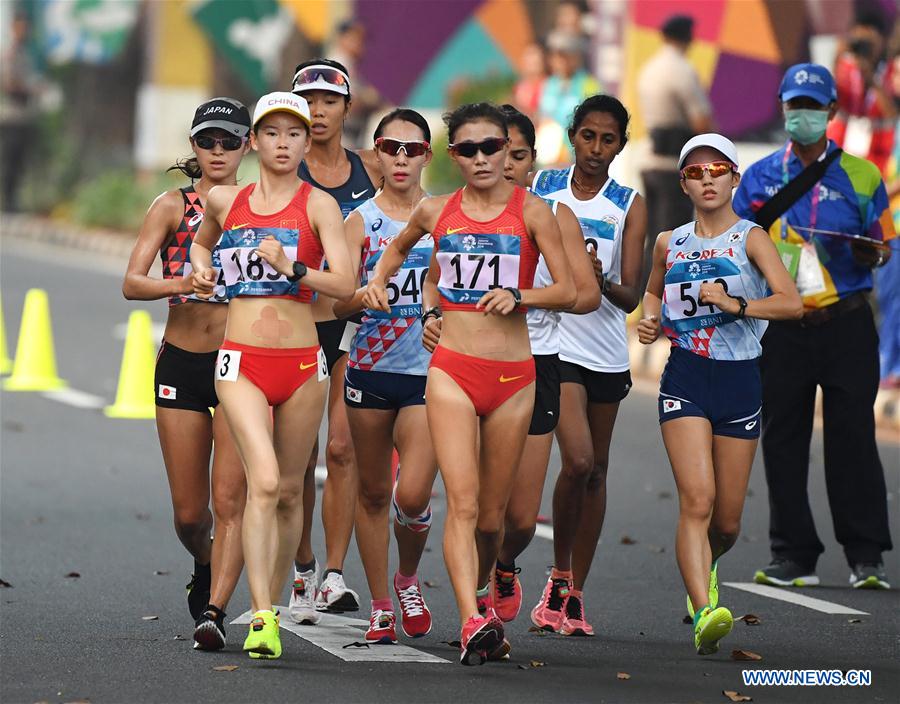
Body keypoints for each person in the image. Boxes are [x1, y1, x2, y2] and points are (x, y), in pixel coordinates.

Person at [364, 102, 576, 665]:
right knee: (459, 502)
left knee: (492, 516)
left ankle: (484, 590)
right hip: (453, 371)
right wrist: (399, 295)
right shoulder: (437, 211)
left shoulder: (532, 213)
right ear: (453, 155)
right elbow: (405, 254)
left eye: (492, 147)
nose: (481, 158)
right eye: (468, 149)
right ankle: (471, 619)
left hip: (513, 378)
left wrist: (522, 296)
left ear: (508, 151)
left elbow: (574, 291)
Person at [190, 92, 354, 659]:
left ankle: (275, 607)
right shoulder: (224, 200)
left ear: (307, 144)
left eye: (294, 135)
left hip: (305, 365)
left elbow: (347, 284)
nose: (282, 144)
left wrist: (296, 268)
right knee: (261, 480)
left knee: (288, 491)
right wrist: (202, 267)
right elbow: (202, 244)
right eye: (272, 134)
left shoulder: (319, 207)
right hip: (241, 360)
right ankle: (261, 615)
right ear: (253, 142)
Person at [733, 63, 896, 590]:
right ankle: (792, 554)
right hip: (781, 327)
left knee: (853, 437)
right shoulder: (756, 179)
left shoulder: (865, 176)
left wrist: (873, 251)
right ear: (782, 107)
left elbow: (885, 241)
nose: (801, 114)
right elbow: (733, 244)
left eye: (812, 105)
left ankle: (865, 555)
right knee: (783, 438)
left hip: (845, 322)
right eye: (794, 104)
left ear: (831, 112)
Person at [639, 133, 803, 655]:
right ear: (683, 183)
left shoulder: (750, 238)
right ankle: (705, 610)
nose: (706, 179)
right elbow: (652, 289)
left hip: (740, 379)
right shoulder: (671, 241)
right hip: (686, 375)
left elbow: (791, 303)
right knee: (698, 500)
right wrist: (648, 319)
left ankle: (707, 566)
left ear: (734, 178)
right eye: (695, 172)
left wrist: (738, 307)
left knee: (727, 521)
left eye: (717, 170)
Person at [122, 98, 250, 651]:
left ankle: (217, 606)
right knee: (189, 512)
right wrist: (180, 284)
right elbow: (132, 281)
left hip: (243, 364)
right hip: (181, 359)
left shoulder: (261, 204)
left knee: (231, 503)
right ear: (194, 147)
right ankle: (205, 557)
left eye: (229, 141)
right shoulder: (171, 206)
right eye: (208, 141)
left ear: (248, 144)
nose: (218, 151)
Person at [529, 95, 647, 637]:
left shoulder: (628, 203)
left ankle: (574, 593)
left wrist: (597, 279)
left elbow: (630, 296)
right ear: (572, 135)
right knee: (576, 462)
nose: (596, 149)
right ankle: (555, 575)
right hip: (557, 344)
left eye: (609, 139)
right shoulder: (542, 190)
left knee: (596, 471)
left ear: (621, 144)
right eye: (588, 137)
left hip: (605, 350)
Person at [489, 104, 601, 623]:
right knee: (477, 504)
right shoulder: (458, 214)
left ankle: (506, 564)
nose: (505, 164)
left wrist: (524, 297)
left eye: (516, 154)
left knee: (519, 519)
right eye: (494, 151)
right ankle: (475, 612)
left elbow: (585, 297)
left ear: (532, 160)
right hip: (473, 360)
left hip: (538, 364)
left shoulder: (553, 216)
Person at [336, 108, 438, 643]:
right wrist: (360, 295)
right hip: (370, 369)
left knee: (414, 495)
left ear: (427, 155)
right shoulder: (359, 221)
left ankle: (407, 577)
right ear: (375, 153)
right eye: (390, 148)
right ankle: (380, 603)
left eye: (412, 149)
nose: (401, 158)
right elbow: (334, 305)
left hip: (428, 373)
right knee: (374, 493)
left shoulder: (448, 215)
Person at [289, 59, 381, 621]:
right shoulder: (282, 167)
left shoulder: (370, 166)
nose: (318, 111)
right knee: (300, 455)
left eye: (329, 101)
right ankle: (301, 565)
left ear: (347, 108)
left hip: (352, 325)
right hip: (295, 324)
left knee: (344, 450)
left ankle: (334, 573)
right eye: (308, 102)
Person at [637, 14, 714, 287]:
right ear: (687, 37)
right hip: (673, 163)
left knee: (654, 237)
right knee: (674, 237)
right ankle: (666, 303)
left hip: (649, 161)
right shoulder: (681, 69)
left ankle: (647, 303)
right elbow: (701, 121)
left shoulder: (650, 68)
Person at [828, 9, 896, 175]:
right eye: (860, 39)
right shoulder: (846, 67)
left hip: (877, 158)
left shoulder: (891, 70)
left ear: (882, 39)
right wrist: (837, 60)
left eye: (870, 41)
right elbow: (833, 102)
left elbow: (891, 113)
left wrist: (870, 77)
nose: (865, 47)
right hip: (841, 154)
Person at [537, 31, 600, 165]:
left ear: (575, 57)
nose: (559, 61)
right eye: (555, 55)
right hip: (549, 159)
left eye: (564, 55)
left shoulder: (588, 85)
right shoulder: (548, 85)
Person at [1, 11, 40, 212]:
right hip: (12, 115)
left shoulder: (26, 53)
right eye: (20, 26)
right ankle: (7, 202)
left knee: (20, 162)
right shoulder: (10, 53)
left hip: (25, 116)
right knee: (10, 160)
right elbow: (8, 83)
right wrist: (30, 89)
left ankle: (13, 201)